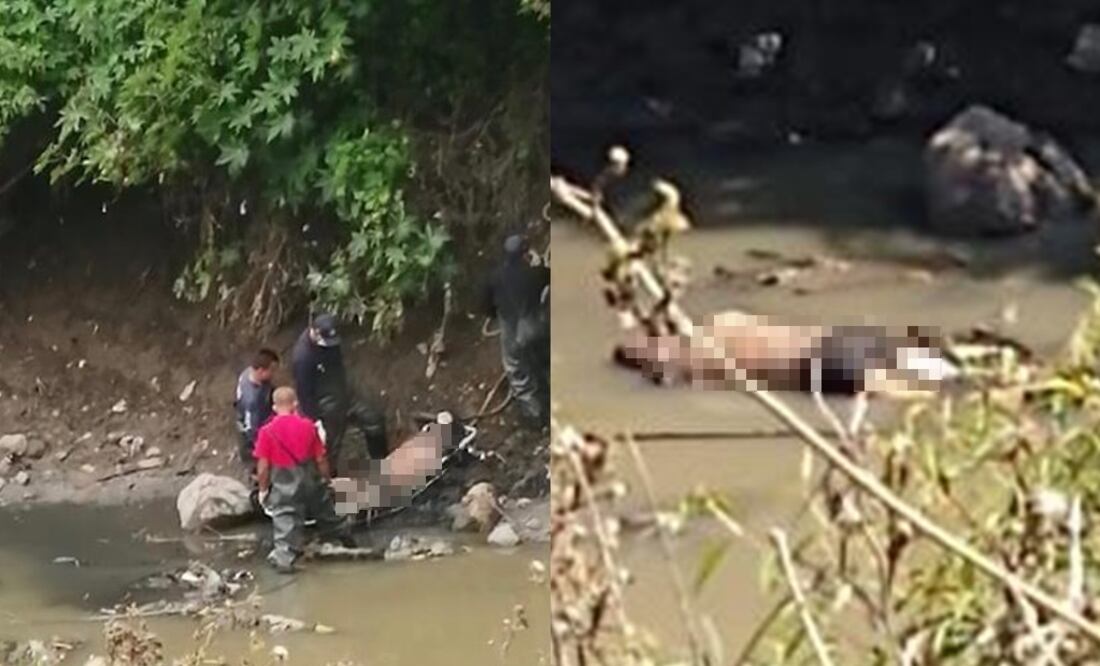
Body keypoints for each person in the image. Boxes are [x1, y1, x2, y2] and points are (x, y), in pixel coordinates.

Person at [612, 310, 960, 395]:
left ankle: (947, 389)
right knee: (934, 373)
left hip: (816, 364)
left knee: (915, 390)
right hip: (830, 342)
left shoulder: (684, 370)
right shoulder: (718, 323)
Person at [255, 386, 354, 573]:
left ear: (274, 407)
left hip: (284, 487)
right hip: (311, 483)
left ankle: (287, 568)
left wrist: (263, 490)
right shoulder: (309, 426)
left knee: (285, 526)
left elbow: (263, 466)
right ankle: (349, 544)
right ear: (295, 404)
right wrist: (327, 480)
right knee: (330, 518)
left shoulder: (266, 432)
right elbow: (320, 459)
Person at [292, 313, 388, 474]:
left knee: (374, 419)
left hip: (344, 391)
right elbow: (304, 392)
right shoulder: (303, 358)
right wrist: (315, 420)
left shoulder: (331, 342)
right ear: (314, 331)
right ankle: (330, 486)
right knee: (329, 448)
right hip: (323, 403)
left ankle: (382, 463)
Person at [484, 234, 551, 427]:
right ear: (525, 254)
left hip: (512, 331)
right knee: (544, 363)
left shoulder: (494, 277)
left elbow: (484, 306)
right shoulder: (535, 273)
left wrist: (497, 314)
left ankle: (536, 417)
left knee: (518, 370)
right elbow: (549, 277)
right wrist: (538, 264)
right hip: (536, 326)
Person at [233, 348, 279, 472]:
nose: (274, 374)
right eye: (272, 370)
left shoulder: (247, 372)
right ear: (260, 371)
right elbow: (251, 428)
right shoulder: (252, 400)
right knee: (258, 462)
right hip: (252, 432)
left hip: (257, 415)